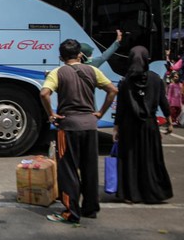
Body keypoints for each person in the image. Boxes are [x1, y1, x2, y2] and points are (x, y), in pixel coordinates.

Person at [40, 39, 117, 224]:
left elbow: (44, 93)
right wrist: (100, 113)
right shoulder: (93, 70)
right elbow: (113, 90)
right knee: (89, 169)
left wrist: (51, 114)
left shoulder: (57, 73)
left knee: (68, 170)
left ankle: (71, 213)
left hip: (68, 127)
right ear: (80, 55)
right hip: (90, 126)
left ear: (61, 57)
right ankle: (90, 209)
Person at [113, 46, 173, 204]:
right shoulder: (155, 79)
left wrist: (116, 127)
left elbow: (121, 106)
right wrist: (169, 120)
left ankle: (130, 193)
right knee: (150, 159)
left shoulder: (125, 81)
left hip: (129, 125)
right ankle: (152, 192)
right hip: (149, 125)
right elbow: (163, 101)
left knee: (130, 159)